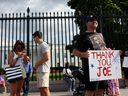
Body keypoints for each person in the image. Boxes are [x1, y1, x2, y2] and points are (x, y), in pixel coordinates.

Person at [72, 15, 108, 96]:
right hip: (91, 69)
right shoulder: (83, 36)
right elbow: (74, 51)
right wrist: (83, 54)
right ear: (87, 23)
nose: (94, 21)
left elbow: (103, 48)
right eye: (91, 20)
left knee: (101, 90)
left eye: (95, 19)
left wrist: (110, 52)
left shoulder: (100, 35)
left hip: (102, 67)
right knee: (90, 90)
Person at [33, 31, 51, 96]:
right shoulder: (40, 46)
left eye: (34, 38)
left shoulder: (44, 45)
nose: (33, 39)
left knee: (45, 89)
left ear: (37, 37)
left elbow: (47, 57)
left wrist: (36, 64)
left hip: (44, 70)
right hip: (40, 70)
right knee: (41, 89)